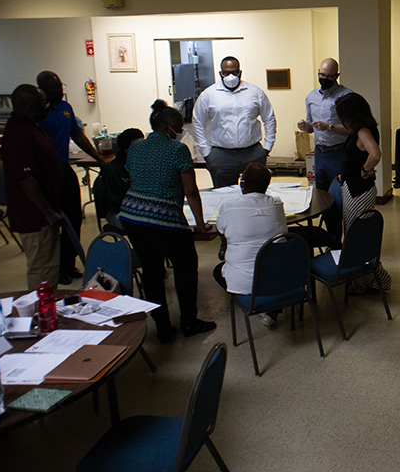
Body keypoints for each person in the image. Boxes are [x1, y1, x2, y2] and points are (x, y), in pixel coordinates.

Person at [120, 100, 216, 343]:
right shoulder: (177, 150)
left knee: (152, 272)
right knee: (185, 266)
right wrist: (201, 224)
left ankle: (162, 327)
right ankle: (189, 322)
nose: (180, 131)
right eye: (177, 126)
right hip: (164, 218)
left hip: (132, 216)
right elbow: (191, 191)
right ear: (164, 126)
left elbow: (134, 177)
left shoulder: (136, 148)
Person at [36, 71, 107, 284]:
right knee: (52, 221)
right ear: (42, 91)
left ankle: (68, 264)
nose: (58, 91)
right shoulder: (38, 114)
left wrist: (98, 159)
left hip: (64, 170)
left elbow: (77, 135)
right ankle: (56, 268)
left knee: (73, 217)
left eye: (59, 87)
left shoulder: (66, 109)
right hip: (45, 174)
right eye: (52, 89)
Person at [0, 85, 64, 290]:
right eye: (40, 103)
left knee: (50, 266)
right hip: (36, 217)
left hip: (45, 213)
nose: (44, 106)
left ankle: (49, 310)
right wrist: (47, 211)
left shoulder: (32, 126)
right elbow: (26, 179)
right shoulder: (17, 132)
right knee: (41, 269)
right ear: (24, 105)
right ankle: (41, 315)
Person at [213, 162, 287, 326]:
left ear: (242, 184)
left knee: (218, 272)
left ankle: (253, 303)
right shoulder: (276, 203)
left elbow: (220, 230)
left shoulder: (229, 206)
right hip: (280, 278)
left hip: (245, 282)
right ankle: (272, 307)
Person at [335, 92, 391, 294]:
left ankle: (374, 280)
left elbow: (375, 154)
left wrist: (366, 170)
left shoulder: (363, 132)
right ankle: (361, 280)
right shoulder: (363, 128)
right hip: (354, 186)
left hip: (359, 191)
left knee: (356, 237)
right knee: (355, 234)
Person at [192, 56, 276, 188]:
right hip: (221, 155)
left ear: (240, 72)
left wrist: (267, 147)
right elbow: (198, 122)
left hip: (252, 152)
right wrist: (206, 152)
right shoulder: (208, 95)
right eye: (226, 73)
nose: (230, 76)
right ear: (221, 73)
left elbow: (269, 118)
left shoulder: (255, 92)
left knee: (254, 194)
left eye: (234, 72)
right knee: (224, 195)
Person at [297, 58, 352, 192]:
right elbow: (311, 127)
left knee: (340, 192)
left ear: (337, 76)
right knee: (321, 192)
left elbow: (352, 128)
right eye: (322, 75)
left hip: (338, 152)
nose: (324, 78)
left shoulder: (346, 96)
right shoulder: (311, 97)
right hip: (319, 153)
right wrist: (306, 127)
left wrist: (329, 127)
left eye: (329, 76)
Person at [98, 128, 145, 229]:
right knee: (145, 227)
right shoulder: (113, 170)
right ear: (126, 149)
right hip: (119, 212)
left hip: (142, 210)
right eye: (137, 147)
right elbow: (116, 204)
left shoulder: (144, 165)